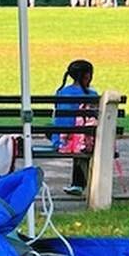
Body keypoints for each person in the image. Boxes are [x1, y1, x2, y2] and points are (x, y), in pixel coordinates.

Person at [52, 58, 98, 196]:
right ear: (87, 75)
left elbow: (59, 118)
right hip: (81, 140)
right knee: (81, 138)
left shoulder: (61, 92)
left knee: (54, 129)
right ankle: (79, 183)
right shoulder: (91, 94)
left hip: (60, 139)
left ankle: (78, 184)